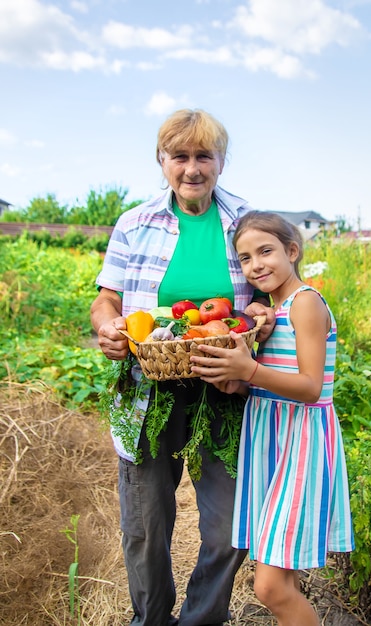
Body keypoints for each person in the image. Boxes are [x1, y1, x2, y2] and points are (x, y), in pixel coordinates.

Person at [90, 109, 275, 626]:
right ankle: (151, 619)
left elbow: (271, 292)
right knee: (146, 523)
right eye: (180, 156)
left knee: (228, 525)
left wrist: (261, 313)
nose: (192, 168)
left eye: (203, 156)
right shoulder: (135, 223)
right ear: (162, 160)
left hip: (228, 386)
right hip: (150, 386)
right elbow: (106, 300)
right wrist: (109, 328)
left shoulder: (247, 220)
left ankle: (199, 620)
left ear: (221, 161)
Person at [190, 210, 355, 626]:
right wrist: (242, 385)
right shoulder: (265, 313)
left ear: (292, 251)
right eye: (245, 258)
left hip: (300, 443)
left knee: (269, 587)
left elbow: (311, 387)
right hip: (270, 440)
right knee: (282, 578)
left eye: (266, 251)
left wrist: (249, 371)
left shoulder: (306, 304)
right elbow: (273, 379)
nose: (256, 264)